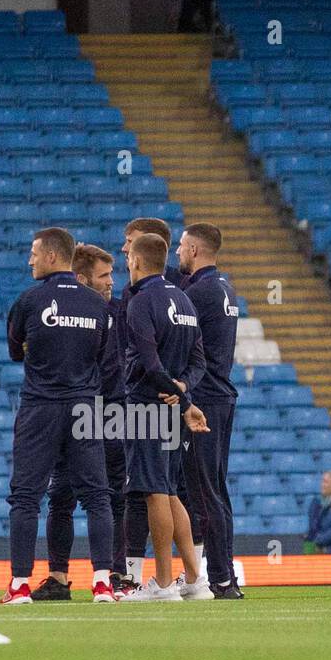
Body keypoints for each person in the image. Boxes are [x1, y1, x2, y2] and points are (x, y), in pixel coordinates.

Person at [2, 228, 118, 605]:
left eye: (34, 253)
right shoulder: (98, 305)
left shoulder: (29, 300)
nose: (30, 260)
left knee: (25, 497)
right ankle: (102, 584)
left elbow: (16, 351)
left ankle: (19, 585)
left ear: (52, 256)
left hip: (40, 408)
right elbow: (107, 360)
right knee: (98, 498)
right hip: (84, 407)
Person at [31, 244, 129, 601]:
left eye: (112, 274)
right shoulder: (74, 315)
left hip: (114, 414)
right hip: (78, 412)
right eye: (104, 276)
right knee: (61, 496)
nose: (110, 282)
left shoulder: (118, 311)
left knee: (112, 497)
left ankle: (114, 574)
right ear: (82, 278)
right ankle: (59, 577)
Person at [118, 232, 212, 603]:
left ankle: (161, 582)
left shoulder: (141, 302)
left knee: (155, 492)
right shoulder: (185, 300)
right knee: (171, 491)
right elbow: (199, 362)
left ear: (137, 262)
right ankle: (192, 578)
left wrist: (180, 395)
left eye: (129, 259)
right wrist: (184, 391)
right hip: (174, 409)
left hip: (147, 406)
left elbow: (148, 361)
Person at [177, 222, 243, 600]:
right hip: (222, 397)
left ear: (196, 250)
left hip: (203, 399)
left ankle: (219, 579)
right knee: (215, 490)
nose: (179, 253)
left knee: (204, 493)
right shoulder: (224, 288)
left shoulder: (198, 292)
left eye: (182, 247)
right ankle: (223, 576)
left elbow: (185, 347)